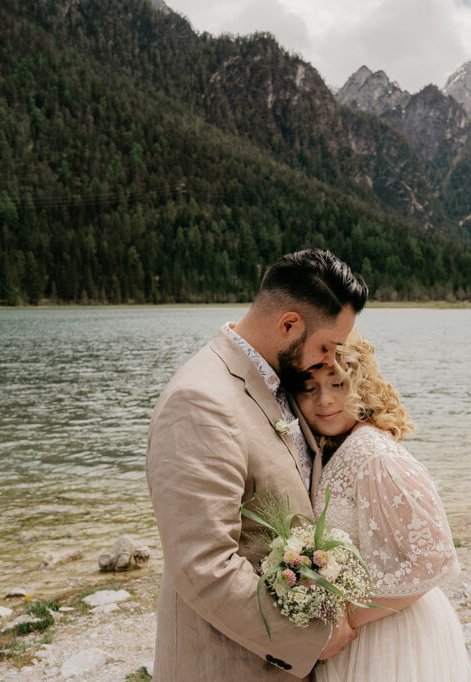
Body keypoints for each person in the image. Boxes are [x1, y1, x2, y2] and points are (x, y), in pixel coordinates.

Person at [146, 249, 368, 680]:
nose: (330, 361)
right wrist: (313, 637)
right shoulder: (200, 400)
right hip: (228, 665)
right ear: (288, 324)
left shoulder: (277, 378)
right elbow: (204, 566)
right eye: (326, 346)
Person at [294, 330, 471, 681]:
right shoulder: (339, 447)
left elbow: (435, 559)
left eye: (338, 384)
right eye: (309, 388)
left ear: (360, 386)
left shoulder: (375, 454)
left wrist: (343, 618)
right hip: (368, 630)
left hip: (389, 633)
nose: (324, 401)